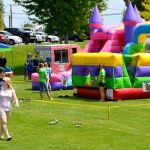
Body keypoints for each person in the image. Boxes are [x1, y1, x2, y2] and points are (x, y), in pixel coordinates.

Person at [0, 77, 19, 141]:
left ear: (7, 81)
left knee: (4, 123)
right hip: (1, 107)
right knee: (4, 121)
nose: (2, 81)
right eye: (2, 80)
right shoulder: (0, 88)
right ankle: (8, 135)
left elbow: (15, 98)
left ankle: (0, 135)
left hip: (8, 108)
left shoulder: (12, 90)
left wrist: (16, 103)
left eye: (4, 80)